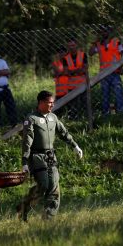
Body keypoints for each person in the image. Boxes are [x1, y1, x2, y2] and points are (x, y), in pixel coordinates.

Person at [17, 90, 83, 222]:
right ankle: (23, 207)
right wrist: (24, 161)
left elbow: (63, 133)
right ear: (41, 103)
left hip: (51, 156)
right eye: (49, 103)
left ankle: (48, 219)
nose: (52, 105)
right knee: (44, 186)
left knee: (54, 188)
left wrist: (75, 146)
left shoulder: (53, 117)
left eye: (53, 103)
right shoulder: (32, 119)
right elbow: (27, 141)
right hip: (36, 157)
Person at [89, 25, 123, 116]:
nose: (104, 33)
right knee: (105, 95)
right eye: (102, 31)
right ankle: (106, 114)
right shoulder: (99, 44)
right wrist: (94, 42)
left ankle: (121, 113)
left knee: (118, 94)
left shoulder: (116, 42)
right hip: (104, 74)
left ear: (110, 32)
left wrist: (121, 67)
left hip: (115, 73)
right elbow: (90, 53)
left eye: (106, 31)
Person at [61, 38, 88, 118]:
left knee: (85, 104)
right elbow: (66, 72)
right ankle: (74, 120)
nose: (71, 47)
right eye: (69, 46)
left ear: (76, 45)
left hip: (83, 85)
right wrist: (79, 70)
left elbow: (85, 68)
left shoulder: (83, 55)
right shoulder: (65, 58)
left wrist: (72, 71)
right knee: (73, 106)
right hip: (71, 86)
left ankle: (87, 118)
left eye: (73, 45)